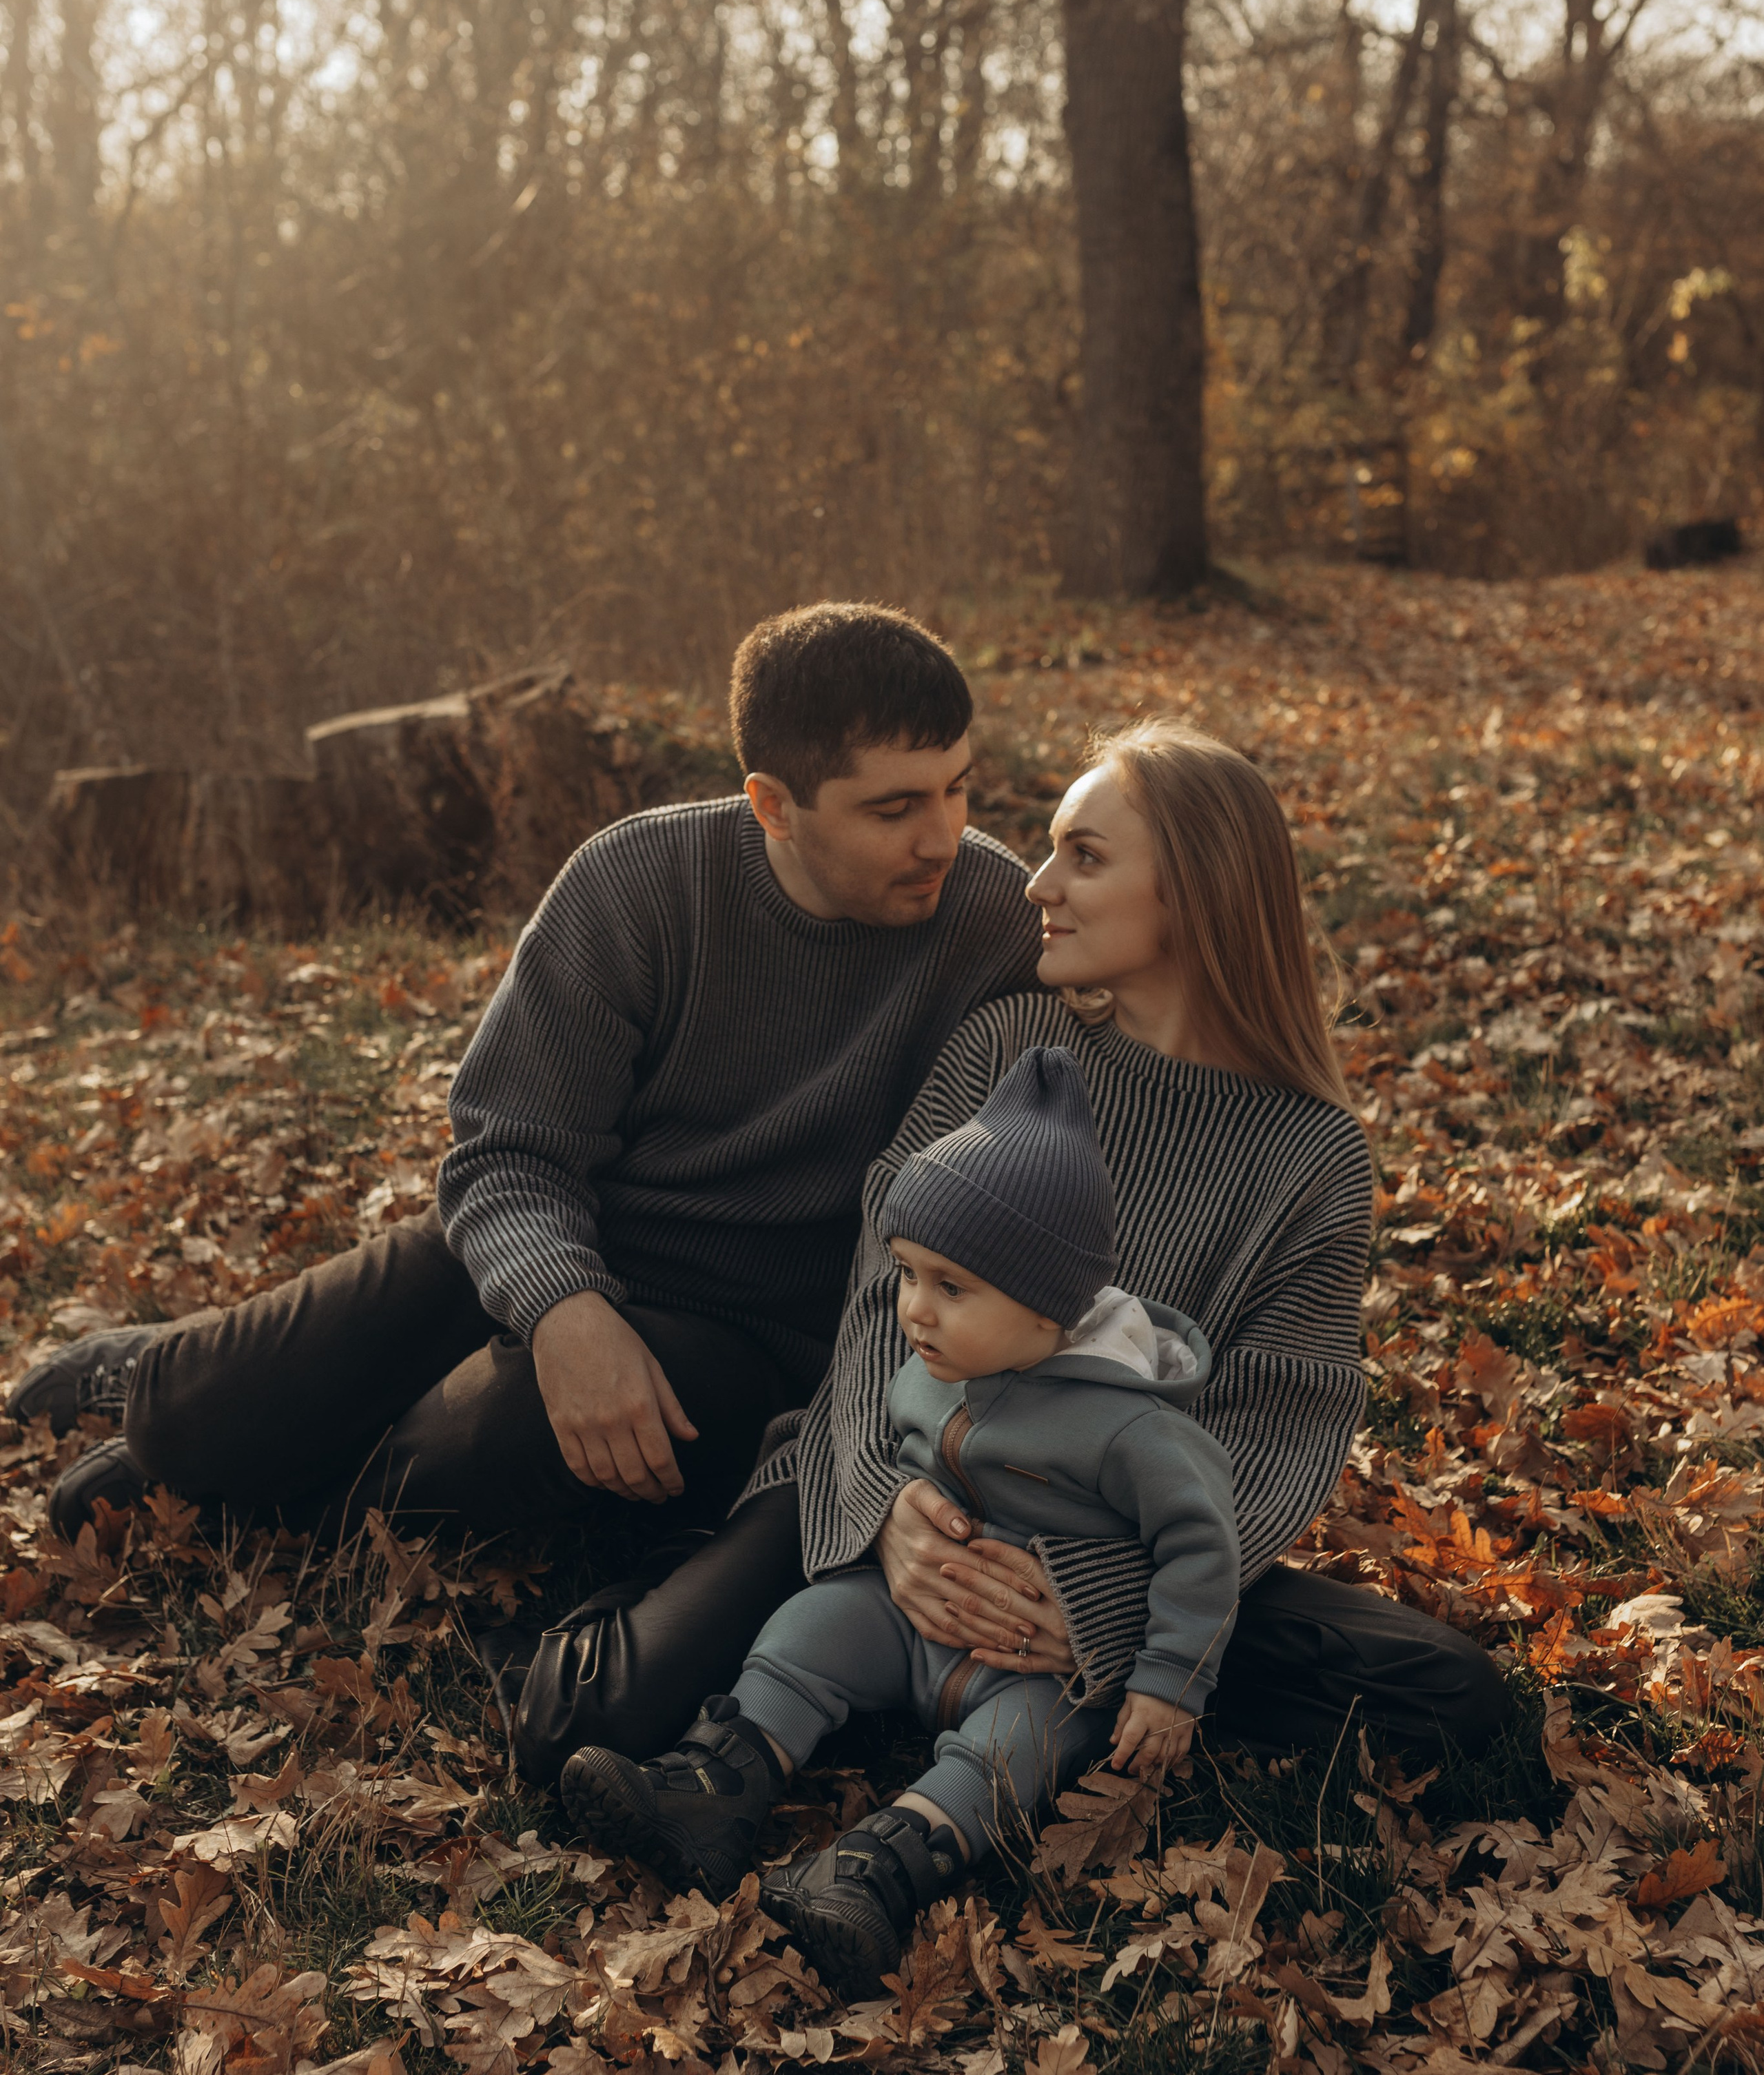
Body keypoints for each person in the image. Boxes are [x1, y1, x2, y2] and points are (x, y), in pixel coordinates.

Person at [10, 606, 1043, 1739]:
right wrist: (563, 1308)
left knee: (466, 1459)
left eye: (957, 788)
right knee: (190, 1423)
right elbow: (506, 1148)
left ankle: (278, 1490)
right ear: (773, 807)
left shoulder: (994, 920)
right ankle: (166, 1388)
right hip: (555, 1246)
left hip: (744, 1340)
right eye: (895, 808)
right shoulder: (641, 883)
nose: (944, 835)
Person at [710, 719, 1505, 1779]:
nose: (1037, 884)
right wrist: (885, 1516)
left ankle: (1051, 1682)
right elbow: (876, 1305)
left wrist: (1104, 1604)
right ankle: (887, 1657)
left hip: (1119, 1542)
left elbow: (1276, 1420)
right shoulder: (1007, 1049)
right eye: (1050, 849)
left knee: (1454, 1696)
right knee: (619, 1700)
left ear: (1198, 893)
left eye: (1083, 856)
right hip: (914, 1479)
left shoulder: (1314, 1156)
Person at [557, 1045, 1242, 2001]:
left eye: (950, 1288)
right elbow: (876, 1449)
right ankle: (717, 1780)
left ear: (1051, 1304)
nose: (915, 1310)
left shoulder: (1131, 1423)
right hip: (911, 1622)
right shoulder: (933, 1368)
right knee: (815, 1623)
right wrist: (889, 1519)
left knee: (1017, 1754)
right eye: (908, 1273)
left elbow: (1204, 1545)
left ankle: (880, 1868)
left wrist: (1170, 1683)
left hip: (1038, 1668)